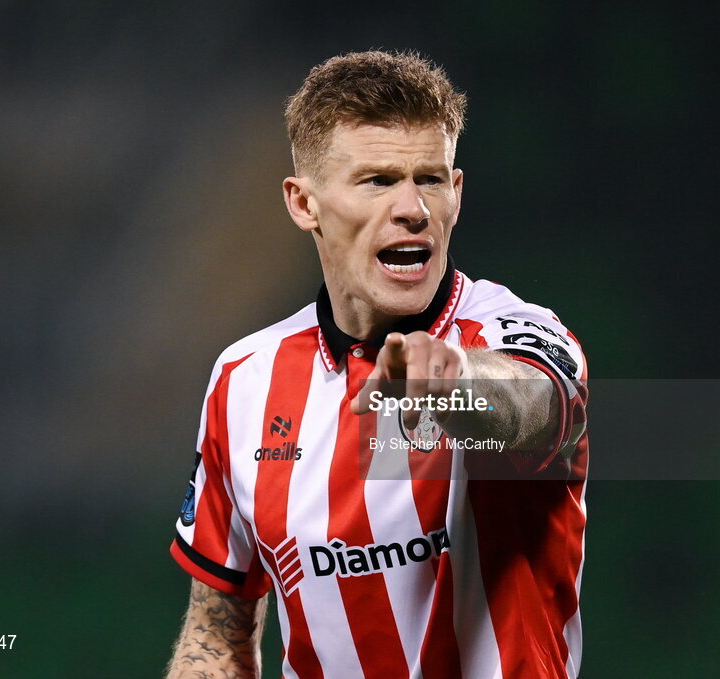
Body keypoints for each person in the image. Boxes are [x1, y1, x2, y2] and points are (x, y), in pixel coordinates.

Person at [165, 50, 589, 679]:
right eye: (379, 181)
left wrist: (452, 379)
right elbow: (217, 633)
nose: (413, 207)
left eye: (432, 178)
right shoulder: (244, 379)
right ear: (304, 204)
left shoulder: (512, 330)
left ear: (458, 193)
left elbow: (542, 404)